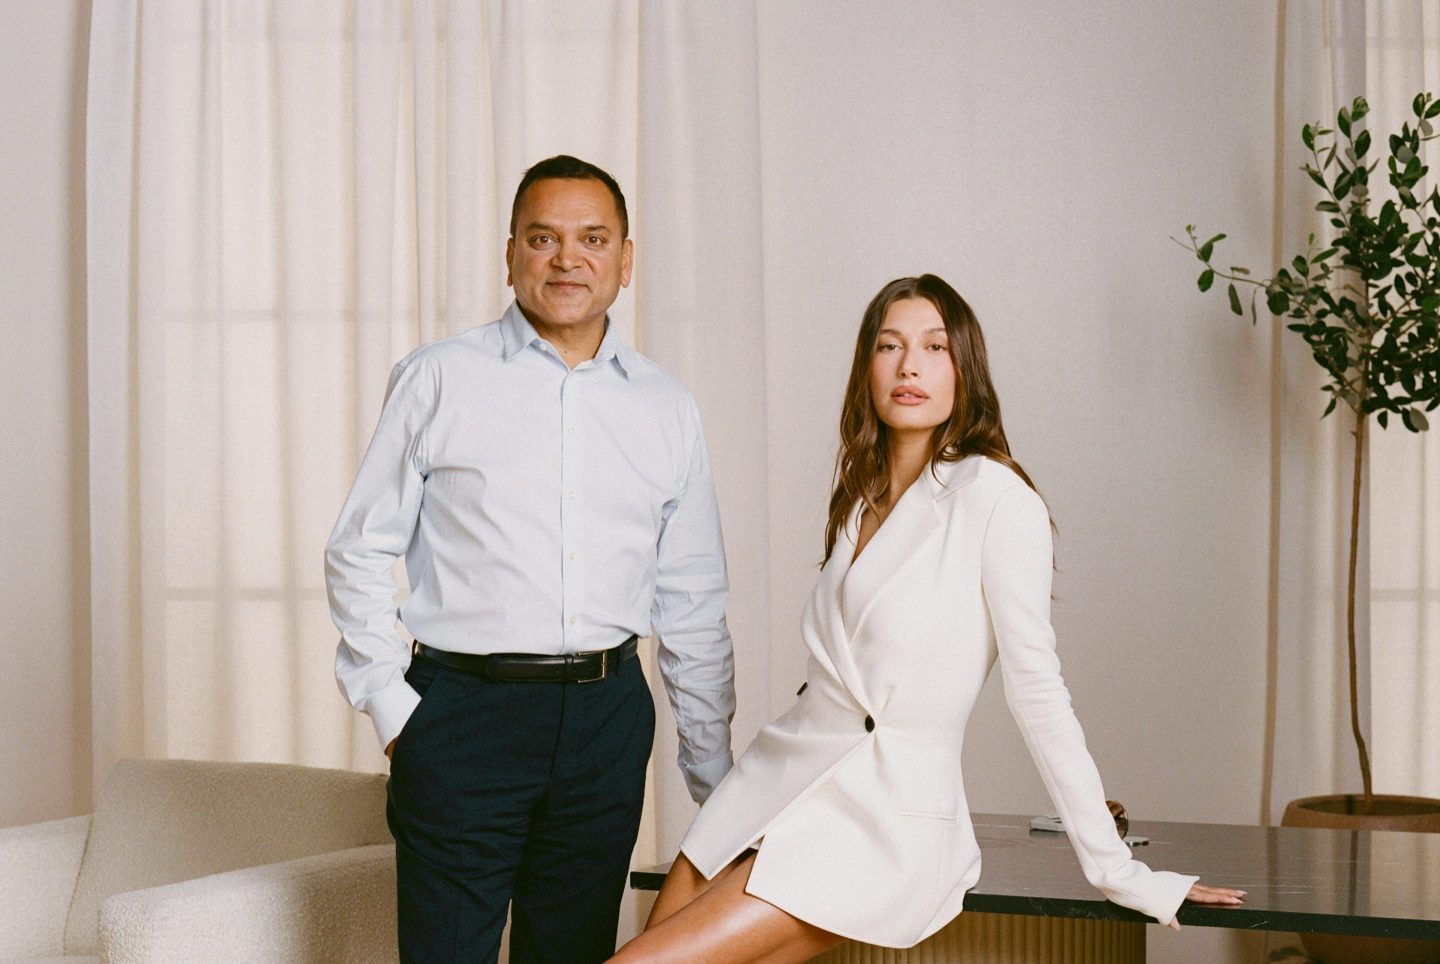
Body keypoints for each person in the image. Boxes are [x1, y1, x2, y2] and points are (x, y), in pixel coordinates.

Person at [611, 275, 1244, 962]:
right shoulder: (857, 499)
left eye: (934, 347)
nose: (909, 366)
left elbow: (1038, 692)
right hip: (771, 784)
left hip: (879, 816)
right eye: (890, 346)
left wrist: (1117, 869)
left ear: (964, 368)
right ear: (867, 368)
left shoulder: (997, 499)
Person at [325, 155, 736, 964]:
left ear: (625, 259)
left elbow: (693, 600)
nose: (567, 259)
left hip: (607, 721)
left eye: (592, 239)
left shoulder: (666, 407)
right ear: (510, 255)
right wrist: (398, 716)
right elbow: (358, 549)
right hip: (462, 718)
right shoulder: (439, 378)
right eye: (543, 238)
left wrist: (715, 775)